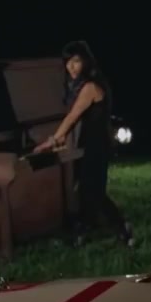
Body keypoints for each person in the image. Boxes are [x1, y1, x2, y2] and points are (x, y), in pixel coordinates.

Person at [32, 40, 135, 247]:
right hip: (92, 143)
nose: (70, 66)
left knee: (93, 192)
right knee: (87, 191)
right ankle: (83, 232)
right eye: (67, 62)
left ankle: (122, 228)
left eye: (76, 61)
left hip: (97, 145)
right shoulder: (86, 84)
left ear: (86, 62)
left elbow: (72, 117)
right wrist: (62, 138)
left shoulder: (89, 87)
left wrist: (53, 140)